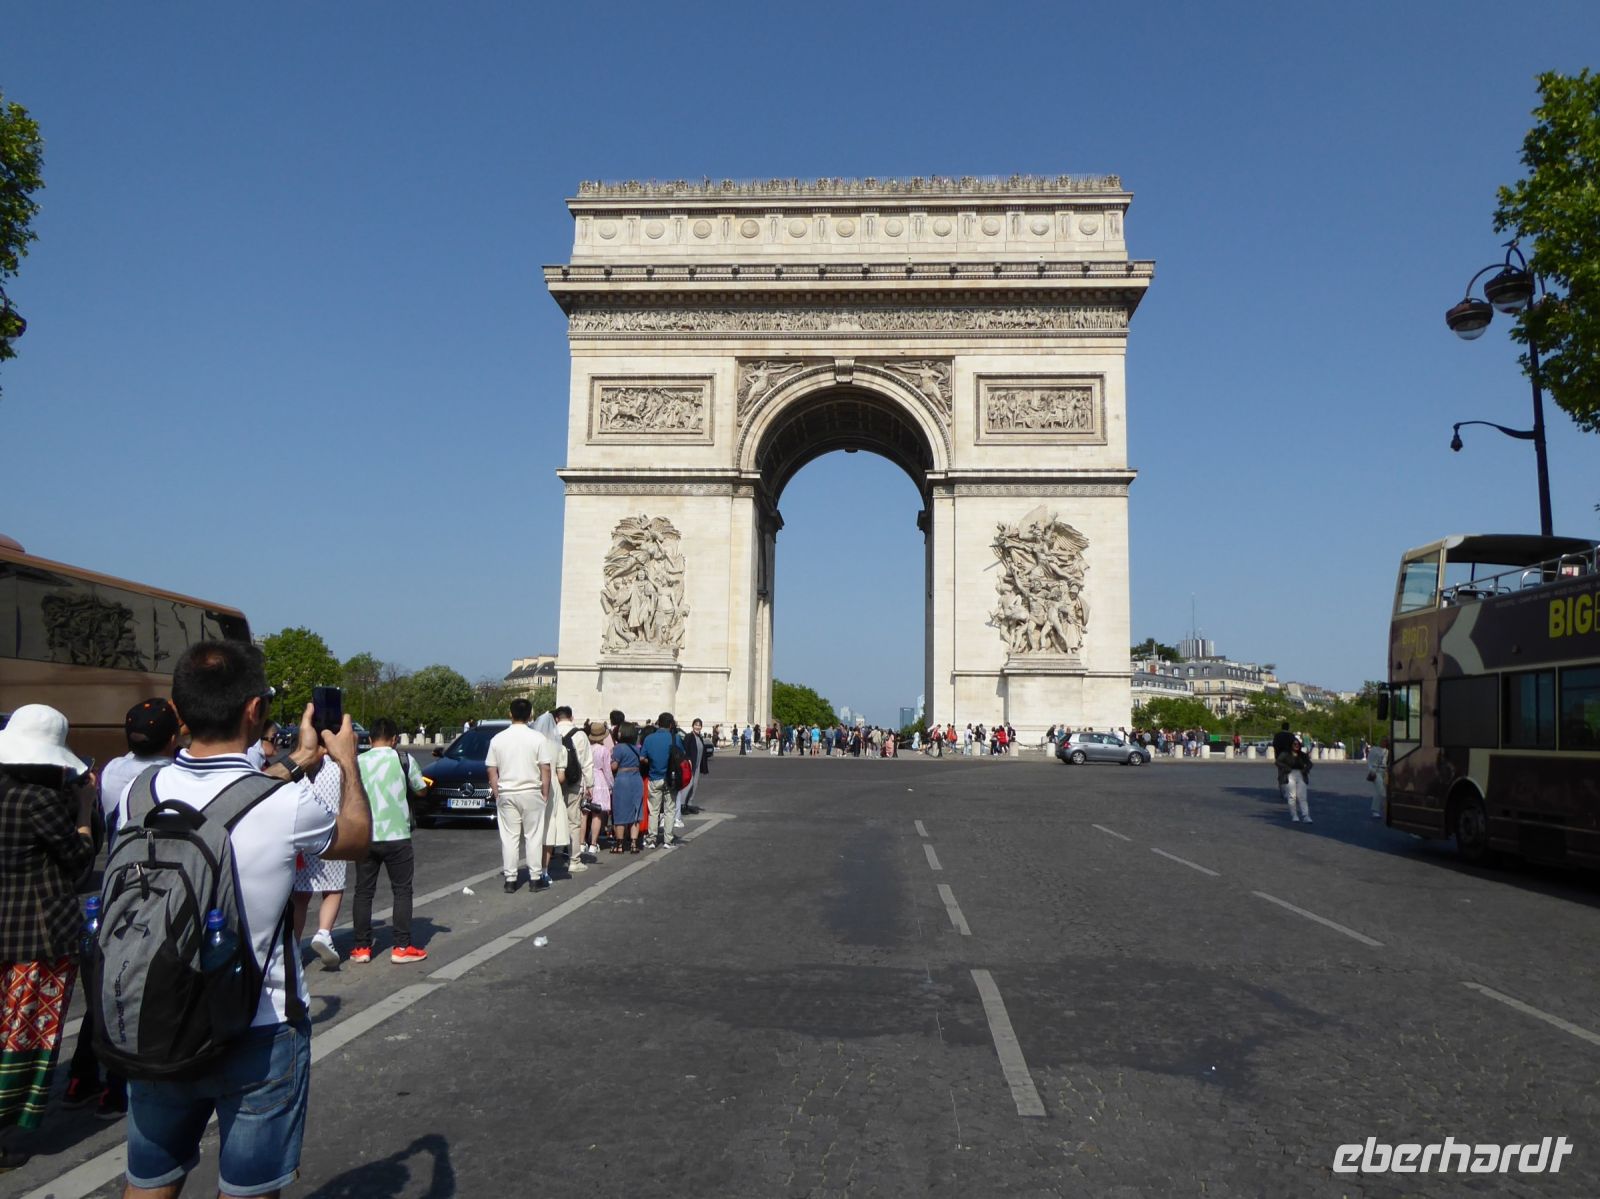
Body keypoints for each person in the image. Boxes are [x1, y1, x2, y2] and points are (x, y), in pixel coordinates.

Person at [115, 640, 370, 1199]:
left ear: (178, 712)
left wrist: (296, 760)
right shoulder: (285, 805)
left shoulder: (138, 793)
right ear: (255, 710)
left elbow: (226, 796)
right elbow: (354, 838)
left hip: (156, 1013)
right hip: (258, 1024)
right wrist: (345, 761)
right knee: (247, 1190)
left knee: (150, 1180)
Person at [66, 698, 181, 1119]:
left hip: (115, 883)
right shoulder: (171, 776)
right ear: (172, 738)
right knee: (134, 987)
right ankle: (116, 1089)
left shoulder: (114, 769)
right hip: (152, 889)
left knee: (105, 982)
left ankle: (81, 1077)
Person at [0, 705, 97, 1170]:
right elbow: (79, 861)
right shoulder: (39, 801)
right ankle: (8, 1133)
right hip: (39, 931)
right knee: (27, 1033)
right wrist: (85, 810)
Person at [351, 718, 430, 963]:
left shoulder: (358, 762)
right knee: (402, 890)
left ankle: (362, 948)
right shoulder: (404, 759)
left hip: (366, 836)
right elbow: (420, 789)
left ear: (370, 738)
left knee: (363, 892)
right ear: (395, 739)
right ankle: (402, 947)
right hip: (398, 836)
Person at [486, 699, 558, 892]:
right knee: (533, 836)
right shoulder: (538, 738)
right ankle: (535, 878)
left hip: (507, 792)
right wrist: (545, 792)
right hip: (531, 791)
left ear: (510, 714)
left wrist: (497, 792)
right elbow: (545, 768)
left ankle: (510, 879)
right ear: (530, 715)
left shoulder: (498, 739)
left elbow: (491, 769)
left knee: (509, 838)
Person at [551, 706, 596, 866]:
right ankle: (574, 859)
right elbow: (587, 763)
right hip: (574, 782)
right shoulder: (580, 735)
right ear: (571, 717)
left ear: (556, 718)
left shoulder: (550, 733)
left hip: (554, 782)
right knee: (573, 821)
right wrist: (590, 785)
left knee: (553, 818)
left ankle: (554, 852)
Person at [640, 712, 682, 848]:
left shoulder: (649, 738)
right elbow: (682, 757)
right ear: (670, 725)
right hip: (671, 778)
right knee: (670, 810)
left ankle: (652, 838)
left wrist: (651, 762)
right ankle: (668, 840)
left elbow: (642, 758)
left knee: (654, 810)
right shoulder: (675, 738)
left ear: (658, 723)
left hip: (654, 777)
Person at [609, 722, 645, 853]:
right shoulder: (637, 748)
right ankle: (634, 844)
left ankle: (619, 845)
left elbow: (614, 766)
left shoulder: (618, 748)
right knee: (635, 811)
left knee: (620, 811)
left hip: (622, 780)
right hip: (636, 779)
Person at [583, 720, 613, 853]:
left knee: (584, 813)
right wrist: (611, 784)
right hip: (599, 779)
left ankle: (581, 842)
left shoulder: (586, 748)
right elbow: (607, 770)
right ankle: (593, 844)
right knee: (597, 813)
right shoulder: (604, 750)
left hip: (586, 778)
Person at [676, 718, 707, 823]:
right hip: (690, 765)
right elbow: (685, 750)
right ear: (693, 726)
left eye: (699, 725)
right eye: (696, 725)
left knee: (694, 784)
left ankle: (689, 803)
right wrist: (688, 760)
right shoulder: (689, 736)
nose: (698, 727)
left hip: (697, 766)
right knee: (688, 785)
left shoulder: (700, 738)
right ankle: (682, 805)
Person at [1285, 738, 1314, 823]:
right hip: (1290, 774)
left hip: (1301, 774)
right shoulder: (1286, 754)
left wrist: (1305, 770)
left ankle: (1306, 816)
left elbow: (1310, 764)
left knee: (1302, 796)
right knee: (1292, 796)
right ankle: (1294, 815)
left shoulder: (1302, 754)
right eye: (1294, 744)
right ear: (1291, 745)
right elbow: (1278, 762)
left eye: (1298, 744)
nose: (1296, 745)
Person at [1366, 736, 1390, 819]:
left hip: (1384, 771)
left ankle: (1377, 809)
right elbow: (1369, 761)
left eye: (1386, 741)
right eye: (1383, 741)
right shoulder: (1374, 749)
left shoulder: (1387, 751)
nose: (1384, 742)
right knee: (1380, 790)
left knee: (1380, 790)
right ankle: (1376, 809)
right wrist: (1371, 770)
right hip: (1376, 771)